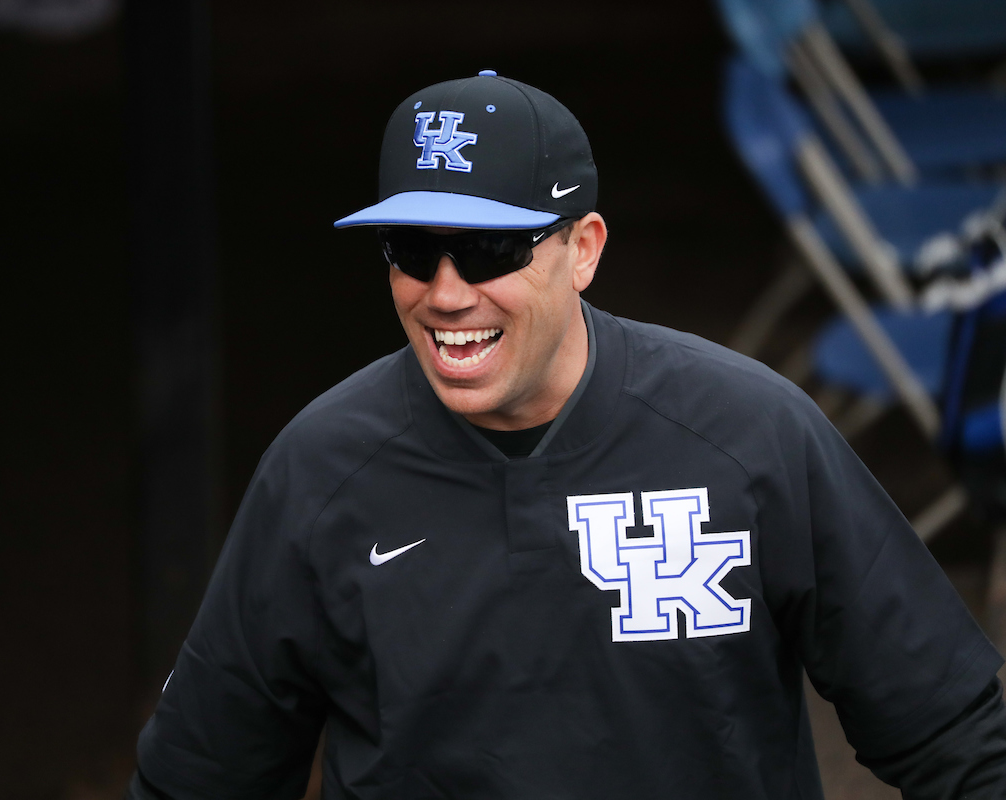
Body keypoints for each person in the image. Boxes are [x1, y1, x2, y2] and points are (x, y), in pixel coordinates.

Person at [127, 71, 1006, 799]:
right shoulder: (320, 472)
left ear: (583, 249)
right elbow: (199, 777)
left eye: (487, 252)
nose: (444, 292)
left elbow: (956, 734)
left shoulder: (749, 433)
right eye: (409, 248)